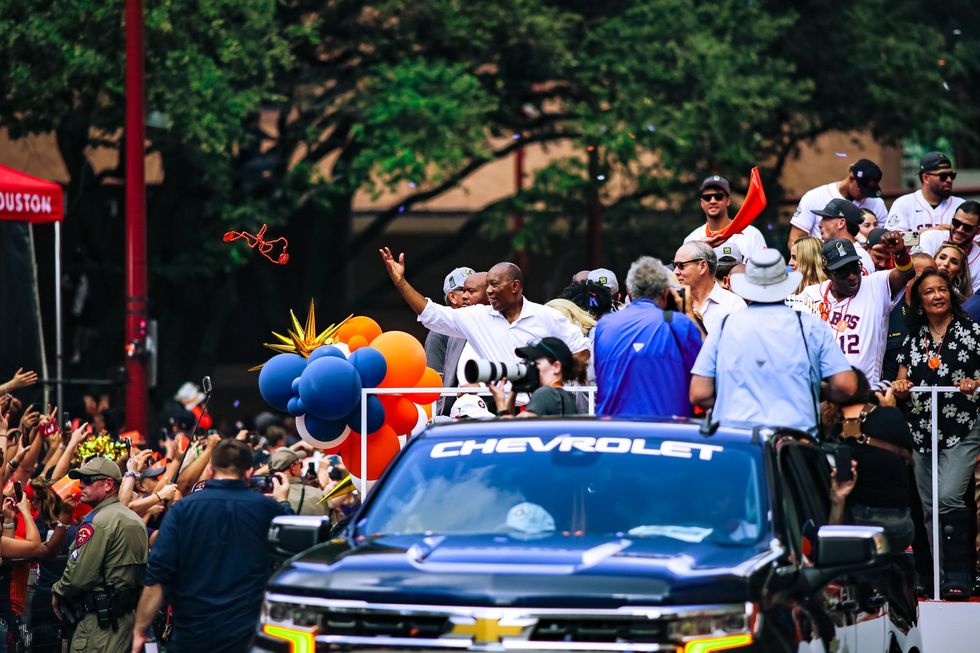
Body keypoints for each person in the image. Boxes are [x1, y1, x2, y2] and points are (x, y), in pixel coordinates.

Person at [133, 439, 293, 652]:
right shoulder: (268, 509)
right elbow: (292, 555)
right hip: (247, 637)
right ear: (249, 472)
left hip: (193, 636)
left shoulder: (183, 510)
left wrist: (140, 631)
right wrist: (283, 503)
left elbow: (158, 576)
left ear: (210, 469)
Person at [690, 250, 857, 436]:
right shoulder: (810, 326)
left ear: (748, 285)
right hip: (794, 440)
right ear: (785, 284)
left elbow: (699, 393)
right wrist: (814, 391)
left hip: (736, 437)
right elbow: (846, 386)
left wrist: (729, 402)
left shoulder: (725, 325)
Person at [892, 269, 980, 600]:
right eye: (929, 291)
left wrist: (974, 383)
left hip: (962, 426)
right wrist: (900, 387)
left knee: (948, 498)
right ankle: (937, 577)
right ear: (920, 300)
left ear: (951, 293)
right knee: (929, 507)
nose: (937, 295)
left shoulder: (971, 331)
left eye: (942, 289)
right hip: (921, 429)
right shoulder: (914, 337)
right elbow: (900, 386)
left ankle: (961, 573)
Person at [380, 248, 590, 368]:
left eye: (494, 285)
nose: (489, 291)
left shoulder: (546, 316)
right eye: (487, 285)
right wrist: (401, 283)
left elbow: (583, 350)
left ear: (515, 286)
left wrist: (556, 375)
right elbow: (431, 313)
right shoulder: (476, 316)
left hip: (539, 411)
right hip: (496, 412)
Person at [52, 457, 148, 653]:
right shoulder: (135, 519)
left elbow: (78, 577)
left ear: (108, 484)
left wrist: (58, 590)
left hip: (97, 627)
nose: (81, 485)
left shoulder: (97, 522)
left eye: (88, 480)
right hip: (126, 623)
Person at [594, 256, 703, 417]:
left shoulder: (605, 325)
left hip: (614, 431)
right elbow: (706, 372)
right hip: (668, 431)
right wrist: (689, 314)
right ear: (666, 292)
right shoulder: (680, 323)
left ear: (629, 292)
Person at [800, 236, 915, 388]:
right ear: (827, 272)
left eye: (855, 268)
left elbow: (906, 273)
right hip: (822, 395)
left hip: (865, 395)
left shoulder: (875, 286)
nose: (852, 276)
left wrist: (900, 253)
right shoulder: (810, 295)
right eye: (843, 272)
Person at [822, 368, 914, 552]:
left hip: (855, 526)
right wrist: (889, 410)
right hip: (899, 527)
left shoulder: (830, 427)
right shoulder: (892, 416)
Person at [788, 159, 887, 246]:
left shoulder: (877, 203)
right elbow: (795, 239)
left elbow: (882, 240)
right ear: (852, 178)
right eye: (863, 189)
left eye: (870, 191)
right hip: (819, 260)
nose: (866, 195)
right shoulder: (815, 196)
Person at [425, 266, 477, 416]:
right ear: (452, 297)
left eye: (474, 289)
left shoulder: (484, 321)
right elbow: (435, 379)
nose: (470, 294)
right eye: (465, 289)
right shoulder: (438, 332)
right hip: (452, 411)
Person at [489, 338, 581, 417]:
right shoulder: (567, 397)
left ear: (556, 367)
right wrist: (514, 390)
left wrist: (500, 402)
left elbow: (513, 432)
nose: (530, 367)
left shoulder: (545, 393)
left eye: (536, 363)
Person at [683, 175, 767, 259]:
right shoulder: (692, 240)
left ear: (728, 200)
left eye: (718, 196)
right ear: (701, 203)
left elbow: (764, 268)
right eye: (707, 197)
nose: (713, 201)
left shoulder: (752, 235)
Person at [672, 241, 746, 334]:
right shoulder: (670, 303)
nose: (675, 272)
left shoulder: (734, 305)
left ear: (702, 267)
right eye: (675, 265)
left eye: (681, 265)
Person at [885, 151, 965, 233]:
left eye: (952, 175)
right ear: (925, 178)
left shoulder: (962, 206)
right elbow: (894, 241)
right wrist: (932, 231)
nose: (949, 180)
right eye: (943, 176)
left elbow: (976, 241)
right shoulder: (903, 203)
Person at [915, 201, 980, 293]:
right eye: (956, 223)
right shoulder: (931, 237)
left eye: (967, 227)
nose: (960, 230)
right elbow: (916, 274)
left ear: (978, 231)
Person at [813, 198, 875, 274]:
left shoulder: (859, 256)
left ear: (841, 223)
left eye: (825, 218)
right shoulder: (835, 252)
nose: (819, 224)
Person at [270, 448, 328, 516]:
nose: (302, 468)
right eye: (300, 464)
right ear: (293, 468)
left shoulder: (262, 494)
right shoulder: (317, 495)